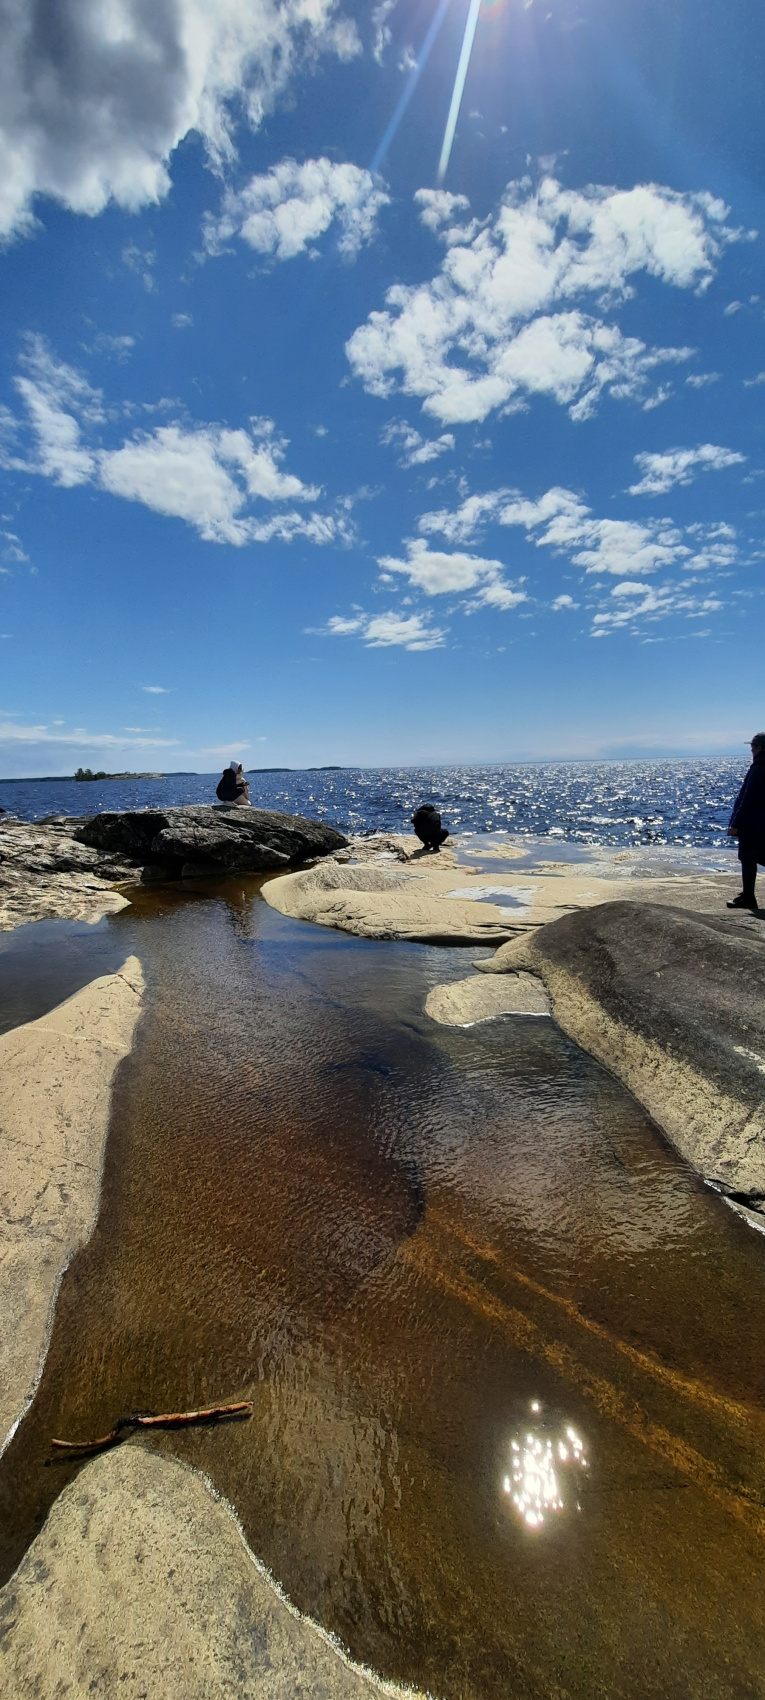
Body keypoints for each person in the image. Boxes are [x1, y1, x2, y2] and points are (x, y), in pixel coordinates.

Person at [727, 733, 765, 912]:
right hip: (761, 822)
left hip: (752, 823)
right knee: (758, 856)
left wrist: (735, 823)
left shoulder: (758, 768)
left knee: (748, 858)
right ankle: (747, 895)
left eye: (753, 747)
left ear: (760, 749)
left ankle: (748, 897)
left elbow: (748, 798)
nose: (752, 750)